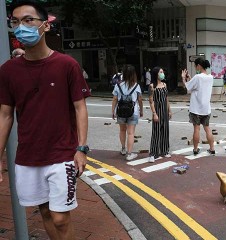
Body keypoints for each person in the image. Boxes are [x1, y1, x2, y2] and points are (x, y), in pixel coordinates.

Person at [0, 1, 90, 238]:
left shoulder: (66, 65)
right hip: (28, 156)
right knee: (45, 211)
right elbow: (5, 114)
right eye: (16, 22)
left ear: (45, 26)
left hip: (62, 154)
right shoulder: (9, 71)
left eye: (29, 20)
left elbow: (80, 108)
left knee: (60, 218)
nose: (22, 26)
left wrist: (81, 148)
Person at [181, 58, 215, 155]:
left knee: (196, 128)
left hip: (196, 109)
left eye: (195, 66)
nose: (195, 68)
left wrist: (183, 78)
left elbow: (188, 87)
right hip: (206, 108)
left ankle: (195, 149)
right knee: (207, 128)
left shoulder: (197, 77)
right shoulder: (210, 77)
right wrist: (190, 79)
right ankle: (212, 148)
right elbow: (197, 86)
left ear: (199, 66)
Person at [112, 65, 143, 161]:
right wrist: (141, 110)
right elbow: (140, 99)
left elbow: (115, 99)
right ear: (134, 74)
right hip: (132, 112)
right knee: (131, 133)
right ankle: (129, 154)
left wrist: (113, 111)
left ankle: (123, 149)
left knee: (122, 130)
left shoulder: (118, 85)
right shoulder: (136, 86)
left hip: (120, 111)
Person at [148, 67, 172, 163]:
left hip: (164, 111)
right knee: (156, 132)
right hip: (157, 110)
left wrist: (169, 110)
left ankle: (164, 151)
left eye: (163, 72)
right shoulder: (151, 86)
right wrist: (154, 114)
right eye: (161, 72)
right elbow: (151, 101)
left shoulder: (164, 85)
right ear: (156, 74)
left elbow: (166, 99)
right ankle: (153, 153)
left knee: (165, 130)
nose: (163, 73)